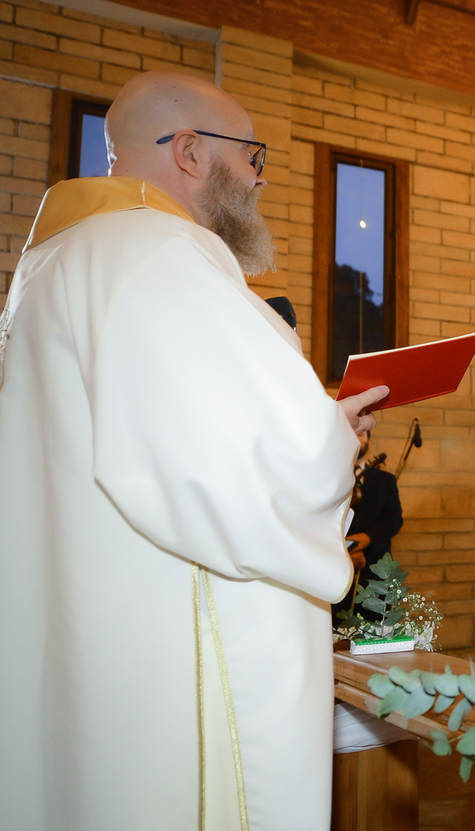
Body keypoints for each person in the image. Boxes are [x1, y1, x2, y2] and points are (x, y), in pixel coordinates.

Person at [0, 71, 389, 831]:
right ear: (189, 151)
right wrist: (334, 436)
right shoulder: (158, 251)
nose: (260, 177)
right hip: (173, 654)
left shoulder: (53, 263)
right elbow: (249, 472)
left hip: (87, 635)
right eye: (252, 156)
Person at [334, 430, 404, 619]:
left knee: (374, 630)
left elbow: (394, 520)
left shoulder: (385, 481)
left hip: (375, 573)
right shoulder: (330, 476)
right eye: (351, 431)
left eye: (361, 434)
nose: (355, 437)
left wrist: (367, 538)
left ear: (369, 441)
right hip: (336, 573)